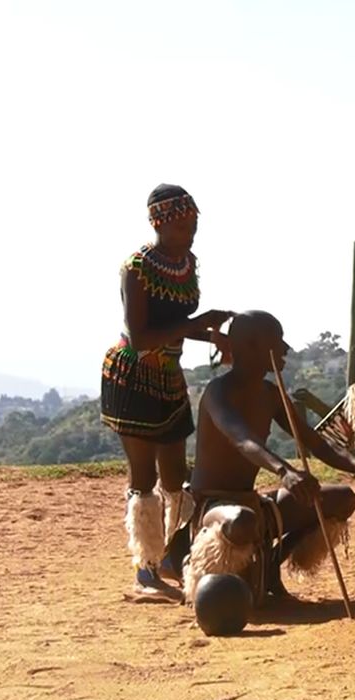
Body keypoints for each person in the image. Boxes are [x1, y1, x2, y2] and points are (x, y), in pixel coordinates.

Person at [172, 311, 355, 605]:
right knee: (241, 521)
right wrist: (285, 471)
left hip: (254, 504)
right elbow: (242, 440)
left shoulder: (270, 394)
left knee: (342, 499)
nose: (286, 349)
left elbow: (317, 444)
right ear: (251, 346)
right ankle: (209, 571)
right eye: (277, 341)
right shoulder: (218, 392)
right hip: (213, 507)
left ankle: (270, 564)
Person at [101, 183, 232, 598]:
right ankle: (147, 568)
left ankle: (175, 552)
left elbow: (177, 323)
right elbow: (141, 337)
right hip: (134, 377)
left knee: (175, 476)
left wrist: (211, 336)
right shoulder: (136, 269)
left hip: (169, 378)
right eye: (180, 226)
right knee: (144, 477)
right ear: (159, 223)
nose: (189, 233)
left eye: (193, 225)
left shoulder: (186, 264)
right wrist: (198, 325)